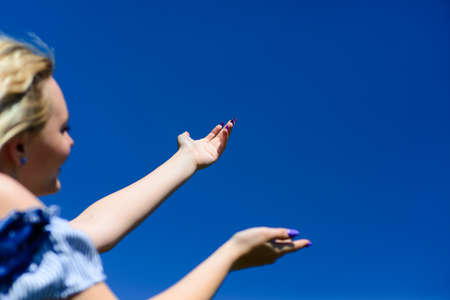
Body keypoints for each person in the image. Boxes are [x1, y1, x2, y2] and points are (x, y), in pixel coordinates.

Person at [0, 35, 311, 300]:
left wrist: (188, 158)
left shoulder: (16, 240)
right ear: (19, 146)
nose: (71, 142)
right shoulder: (12, 212)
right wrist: (232, 253)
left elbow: (89, 229)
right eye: (63, 129)